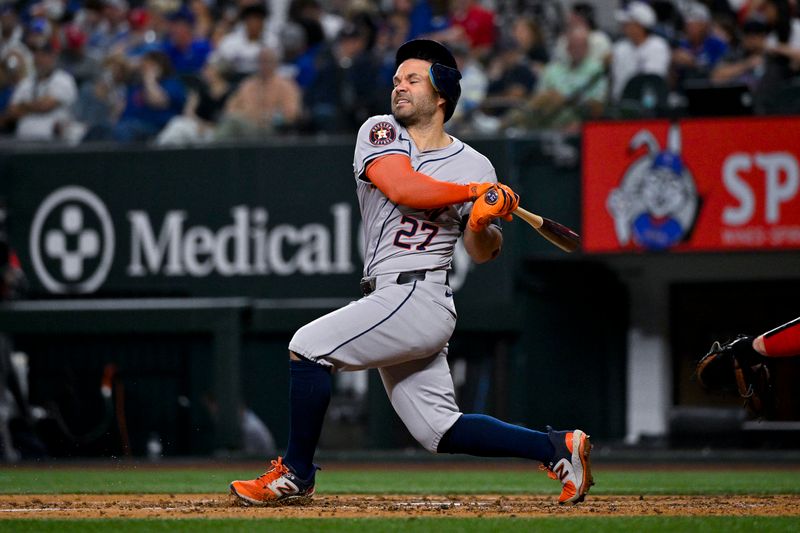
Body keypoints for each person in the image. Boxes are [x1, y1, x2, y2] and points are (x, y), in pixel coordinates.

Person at [229, 39, 593, 507]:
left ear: (441, 93)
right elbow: (402, 187)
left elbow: (484, 253)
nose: (399, 86)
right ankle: (556, 447)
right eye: (397, 80)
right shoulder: (380, 130)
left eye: (412, 79)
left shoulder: (475, 162)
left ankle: (296, 474)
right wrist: (473, 193)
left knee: (309, 346)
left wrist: (482, 222)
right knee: (438, 430)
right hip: (391, 295)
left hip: (419, 293)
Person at [610, 1, 671, 101]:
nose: (624, 27)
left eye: (628, 23)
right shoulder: (619, 47)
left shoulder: (658, 45)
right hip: (621, 105)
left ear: (640, 26)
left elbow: (652, 81)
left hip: (649, 105)